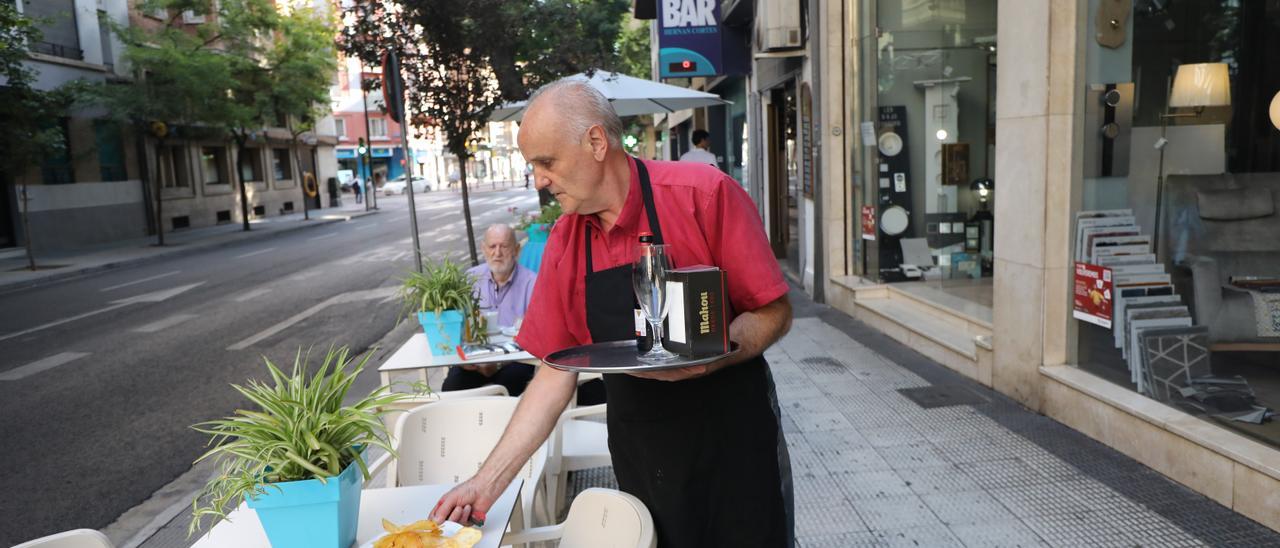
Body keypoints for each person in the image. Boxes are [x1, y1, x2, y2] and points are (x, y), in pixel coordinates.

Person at [430, 79, 794, 547]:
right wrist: (486, 483)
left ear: (597, 142)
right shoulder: (565, 241)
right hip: (644, 455)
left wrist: (713, 355)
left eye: (547, 162)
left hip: (735, 442)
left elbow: (774, 311)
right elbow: (552, 376)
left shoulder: (702, 195)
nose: (538, 180)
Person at [443, 224, 538, 396]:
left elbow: (536, 336)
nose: (497, 253)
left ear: (516, 250)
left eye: (504, 246)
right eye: (492, 246)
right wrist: (465, 360)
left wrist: (500, 363)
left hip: (516, 360)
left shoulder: (533, 283)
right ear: (483, 249)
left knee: (505, 388)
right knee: (451, 388)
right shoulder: (470, 279)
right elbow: (456, 327)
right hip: (475, 361)